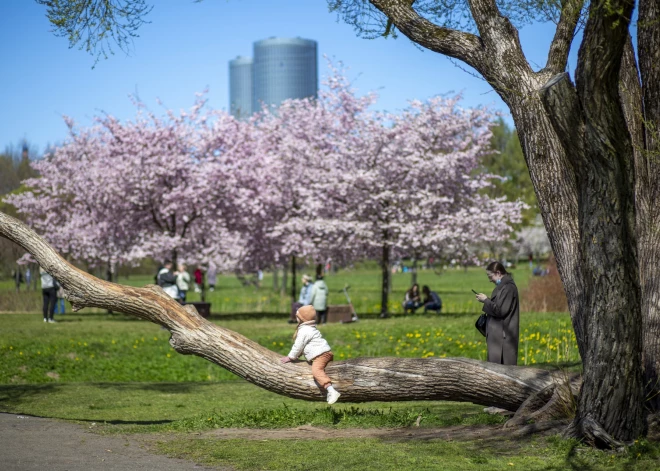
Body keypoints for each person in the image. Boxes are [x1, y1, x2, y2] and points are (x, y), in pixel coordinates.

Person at [280, 305, 341, 404]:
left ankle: (331, 390)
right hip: (325, 353)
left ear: (302, 318)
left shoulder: (304, 330)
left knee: (316, 370)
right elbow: (304, 347)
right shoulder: (309, 328)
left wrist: (290, 357)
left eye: (297, 316)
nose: (296, 318)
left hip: (322, 355)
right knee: (320, 370)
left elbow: (298, 346)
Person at [475, 261, 520, 365]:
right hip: (498, 336)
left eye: (490, 276)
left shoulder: (508, 288)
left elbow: (500, 311)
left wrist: (486, 300)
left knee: (503, 371)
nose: (490, 280)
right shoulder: (503, 287)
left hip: (503, 338)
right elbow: (500, 305)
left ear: (498, 273)